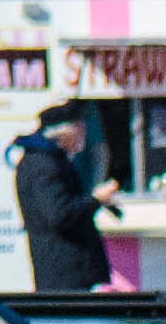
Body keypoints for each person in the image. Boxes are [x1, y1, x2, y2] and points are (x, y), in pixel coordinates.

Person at [13, 104, 117, 295]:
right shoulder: (43, 166)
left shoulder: (54, 161)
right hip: (66, 274)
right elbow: (60, 215)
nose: (84, 135)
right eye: (80, 128)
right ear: (65, 132)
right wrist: (95, 199)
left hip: (75, 271)